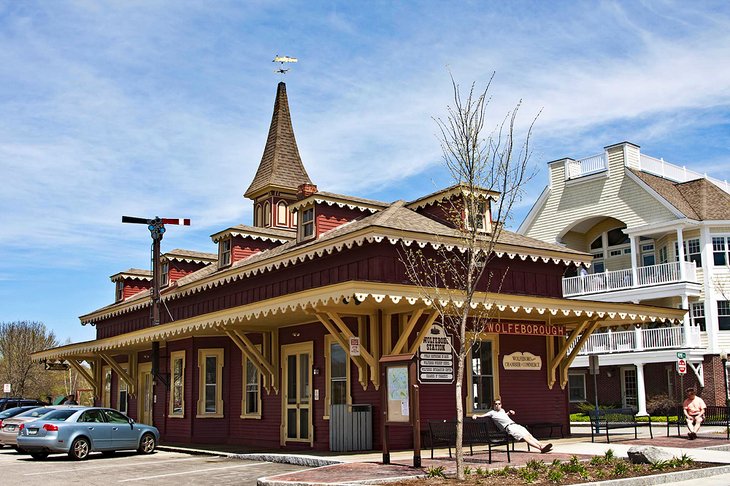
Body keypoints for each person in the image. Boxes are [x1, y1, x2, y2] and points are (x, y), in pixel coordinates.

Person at [472, 398, 553, 453]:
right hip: (509, 428)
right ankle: (540, 448)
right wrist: (475, 415)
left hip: (515, 424)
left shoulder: (502, 411)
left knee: (529, 435)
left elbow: (504, 416)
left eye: (499, 404)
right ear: (493, 405)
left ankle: (542, 445)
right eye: (496, 404)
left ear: (501, 404)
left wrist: (510, 413)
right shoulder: (492, 413)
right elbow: (482, 415)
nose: (497, 405)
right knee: (525, 437)